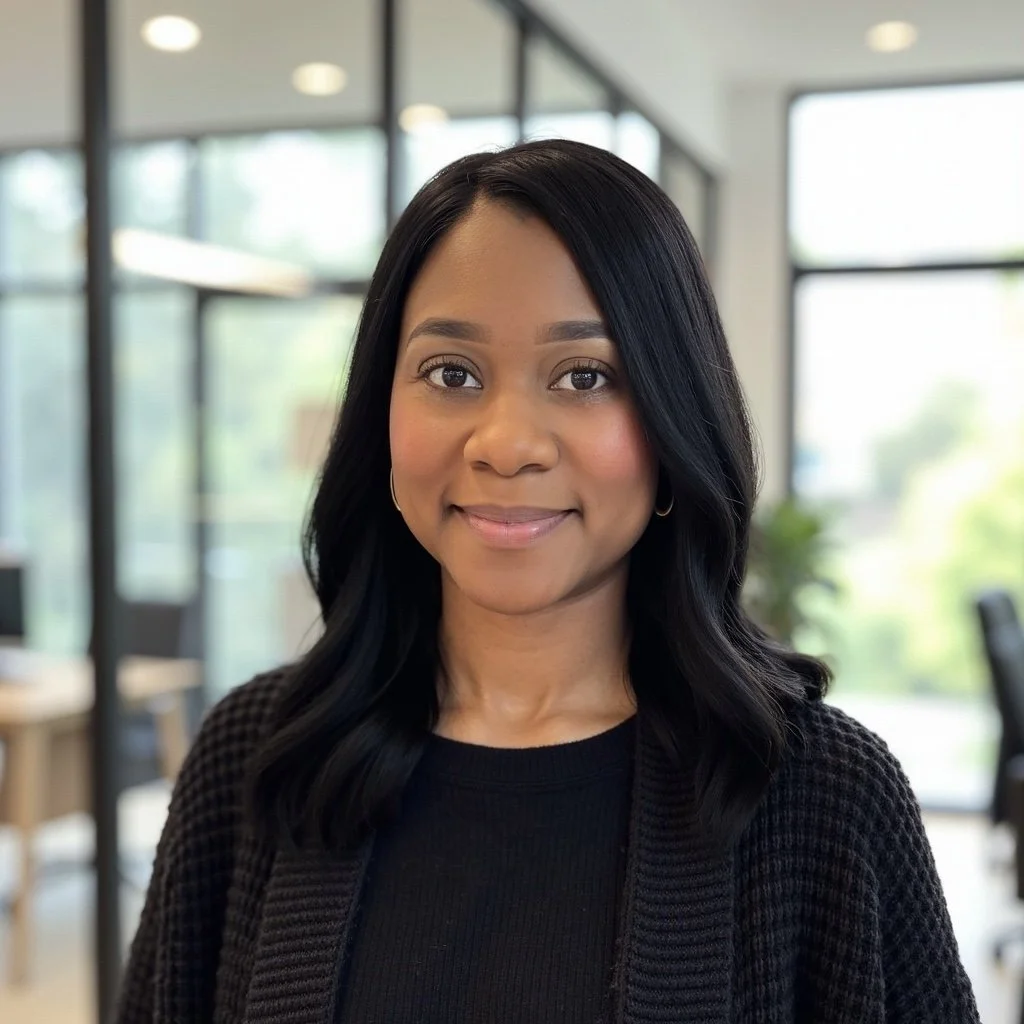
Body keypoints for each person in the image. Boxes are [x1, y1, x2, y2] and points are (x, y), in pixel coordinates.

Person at [116, 139, 979, 1024]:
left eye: (585, 376)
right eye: (451, 374)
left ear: (675, 416)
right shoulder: (259, 759)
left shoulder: (822, 795)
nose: (507, 442)